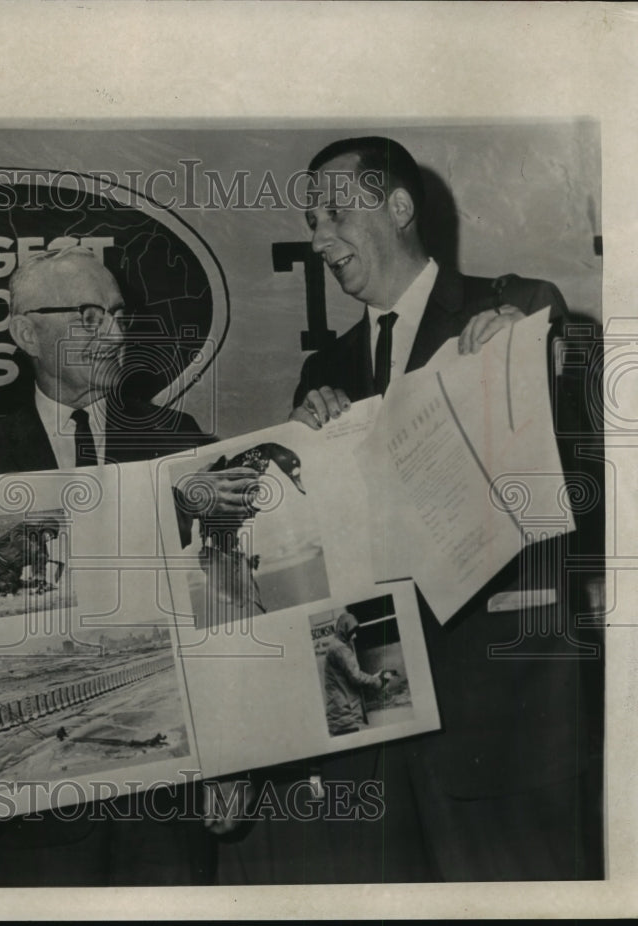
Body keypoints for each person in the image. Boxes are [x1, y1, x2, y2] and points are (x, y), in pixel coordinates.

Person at [220, 136, 602, 884]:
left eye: (333, 214)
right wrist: (304, 447)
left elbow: (581, 479)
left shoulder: (517, 308)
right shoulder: (324, 367)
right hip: (374, 718)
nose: (318, 238)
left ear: (398, 207)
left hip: (501, 718)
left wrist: (523, 368)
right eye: (310, 221)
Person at [0, 246, 255, 887]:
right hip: (32, 819)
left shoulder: (183, 443)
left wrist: (239, 755)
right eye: (89, 317)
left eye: (118, 315)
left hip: (169, 803)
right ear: (27, 331)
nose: (116, 334)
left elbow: (228, 602)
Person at [322, 612, 389, 736]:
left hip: (339, 713)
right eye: (352, 632)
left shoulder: (335, 645)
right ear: (344, 630)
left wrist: (372, 677)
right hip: (344, 715)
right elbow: (356, 677)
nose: (355, 636)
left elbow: (350, 675)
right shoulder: (340, 648)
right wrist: (377, 681)